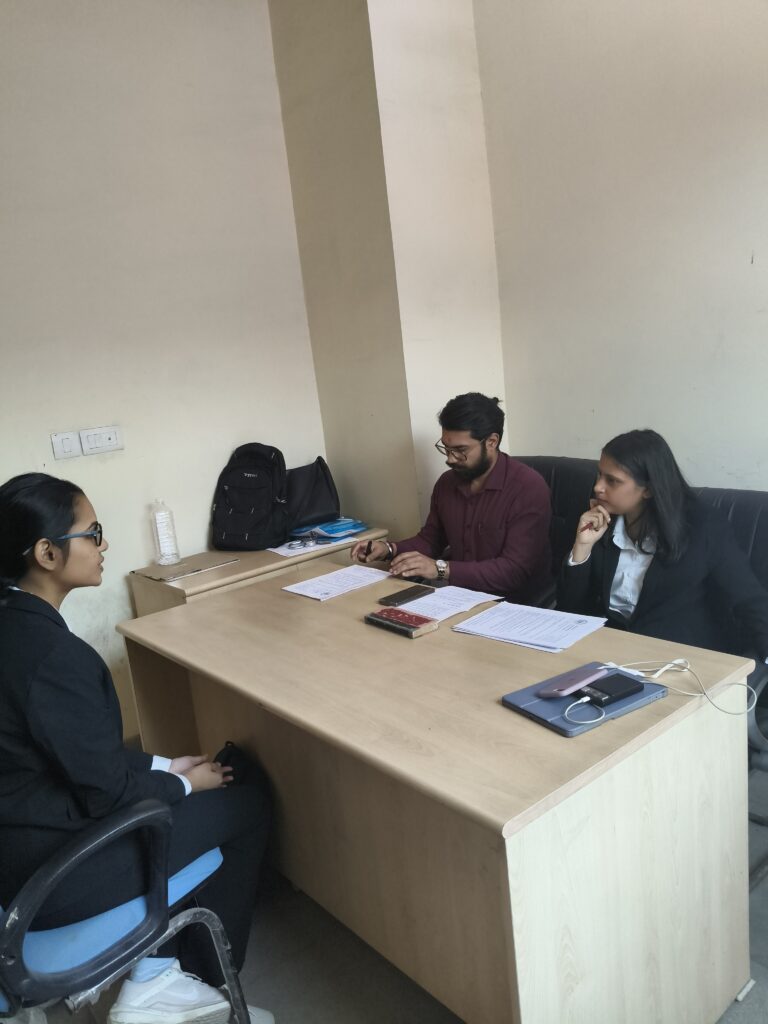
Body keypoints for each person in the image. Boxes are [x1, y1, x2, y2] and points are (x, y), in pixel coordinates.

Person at [0, 473, 274, 1024]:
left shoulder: (14, 626)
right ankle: (181, 982)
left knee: (212, 776)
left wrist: (164, 764)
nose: (103, 545)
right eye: (92, 533)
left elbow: (68, 752)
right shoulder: (54, 658)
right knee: (246, 802)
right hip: (54, 875)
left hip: (21, 843)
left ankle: (158, 966)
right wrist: (182, 783)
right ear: (47, 553)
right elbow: (104, 793)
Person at [557, 429, 768, 657]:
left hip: (680, 658)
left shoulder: (703, 527)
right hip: (608, 651)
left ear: (648, 489)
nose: (598, 487)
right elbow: (570, 611)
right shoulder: (597, 519)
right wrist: (582, 547)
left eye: (612, 481)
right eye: (599, 475)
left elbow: (749, 600)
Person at [351, 392, 552, 603]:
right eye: (446, 448)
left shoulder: (528, 488)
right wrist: (389, 549)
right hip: (459, 598)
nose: (450, 459)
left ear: (492, 442)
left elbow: (513, 572)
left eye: (460, 450)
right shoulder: (447, 483)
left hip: (516, 605)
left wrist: (441, 569)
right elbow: (431, 540)